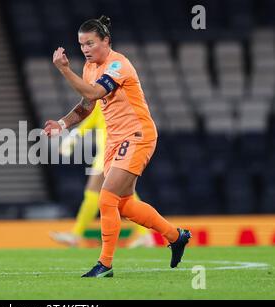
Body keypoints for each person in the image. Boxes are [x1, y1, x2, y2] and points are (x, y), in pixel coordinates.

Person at [43, 15, 191, 277]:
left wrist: (65, 69)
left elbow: (94, 94)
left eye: (90, 43)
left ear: (106, 41)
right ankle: (175, 236)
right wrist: (62, 124)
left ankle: (105, 264)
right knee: (122, 204)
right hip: (115, 139)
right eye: (81, 45)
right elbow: (86, 107)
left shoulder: (118, 65)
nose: (86, 49)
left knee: (106, 197)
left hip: (137, 134)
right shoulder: (90, 68)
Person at [49, 101, 155, 248]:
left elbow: (90, 116)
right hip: (110, 152)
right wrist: (75, 136)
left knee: (95, 192)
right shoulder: (105, 97)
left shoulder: (105, 97)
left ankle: (76, 235)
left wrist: (73, 136)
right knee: (122, 195)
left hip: (110, 151)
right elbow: (93, 118)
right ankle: (146, 235)